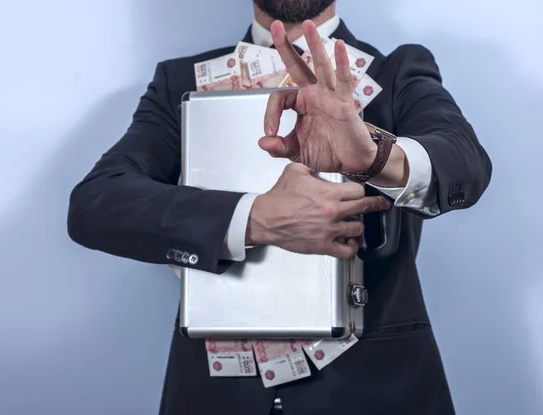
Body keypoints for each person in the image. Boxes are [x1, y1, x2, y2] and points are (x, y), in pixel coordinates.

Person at [67, 1, 492, 414]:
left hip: (375, 387)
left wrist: (373, 157)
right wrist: (256, 218)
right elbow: (98, 203)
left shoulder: (396, 71)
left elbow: (465, 164)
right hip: (216, 397)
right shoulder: (179, 80)